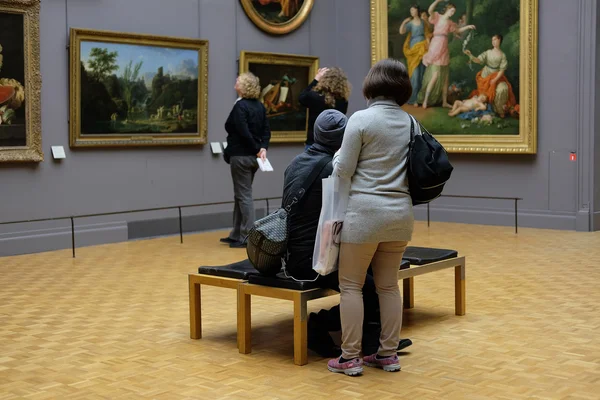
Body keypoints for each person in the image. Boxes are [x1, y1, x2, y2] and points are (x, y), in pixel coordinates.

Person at [282, 109, 413, 358]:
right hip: (317, 258)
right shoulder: (336, 168)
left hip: (295, 255)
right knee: (371, 286)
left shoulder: (296, 163)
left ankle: (371, 338)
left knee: (369, 277)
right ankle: (319, 325)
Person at [327, 58, 415, 376]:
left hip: (364, 215)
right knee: (389, 286)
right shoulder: (411, 123)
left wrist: (338, 154)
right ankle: (388, 354)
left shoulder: (361, 120)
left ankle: (350, 357)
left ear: (371, 86)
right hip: (400, 216)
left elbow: (342, 172)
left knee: (350, 285)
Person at [221, 72, 271, 248]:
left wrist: (257, 148)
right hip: (253, 158)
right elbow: (266, 130)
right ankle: (236, 233)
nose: (235, 83)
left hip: (241, 156)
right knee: (240, 195)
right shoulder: (259, 106)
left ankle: (247, 236)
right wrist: (262, 148)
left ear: (243, 86)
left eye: (238, 81)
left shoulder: (240, 106)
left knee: (244, 196)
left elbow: (242, 130)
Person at [417, 1, 475, 109]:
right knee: (435, 76)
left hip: (444, 48)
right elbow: (430, 10)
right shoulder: (438, 17)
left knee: (445, 78)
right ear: (447, 9)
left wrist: (467, 27)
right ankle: (425, 100)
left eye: (454, 12)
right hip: (436, 45)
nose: (452, 13)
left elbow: (457, 30)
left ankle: (444, 102)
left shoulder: (450, 23)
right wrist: (438, 0)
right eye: (452, 11)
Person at [464, 34, 517, 118]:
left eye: (495, 39)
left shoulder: (502, 55)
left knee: (503, 88)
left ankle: (499, 110)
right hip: (486, 76)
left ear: (499, 40)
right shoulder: (488, 52)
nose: (493, 42)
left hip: (497, 76)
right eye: (492, 40)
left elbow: (502, 70)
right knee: (484, 95)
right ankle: (488, 109)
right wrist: (470, 55)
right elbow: (478, 60)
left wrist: (495, 79)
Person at [298, 67, 350, 150]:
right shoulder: (343, 101)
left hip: (314, 143)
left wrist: (316, 79)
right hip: (334, 145)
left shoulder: (315, 97)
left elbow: (301, 98)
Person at [399, 4, 428, 107]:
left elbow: (428, 34)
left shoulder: (423, 22)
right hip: (414, 49)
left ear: (417, 11)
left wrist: (427, 47)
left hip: (423, 49)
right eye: (410, 10)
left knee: (421, 74)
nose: (412, 12)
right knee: (414, 75)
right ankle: (413, 99)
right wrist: (404, 22)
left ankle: (419, 98)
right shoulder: (410, 23)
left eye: (413, 10)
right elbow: (401, 31)